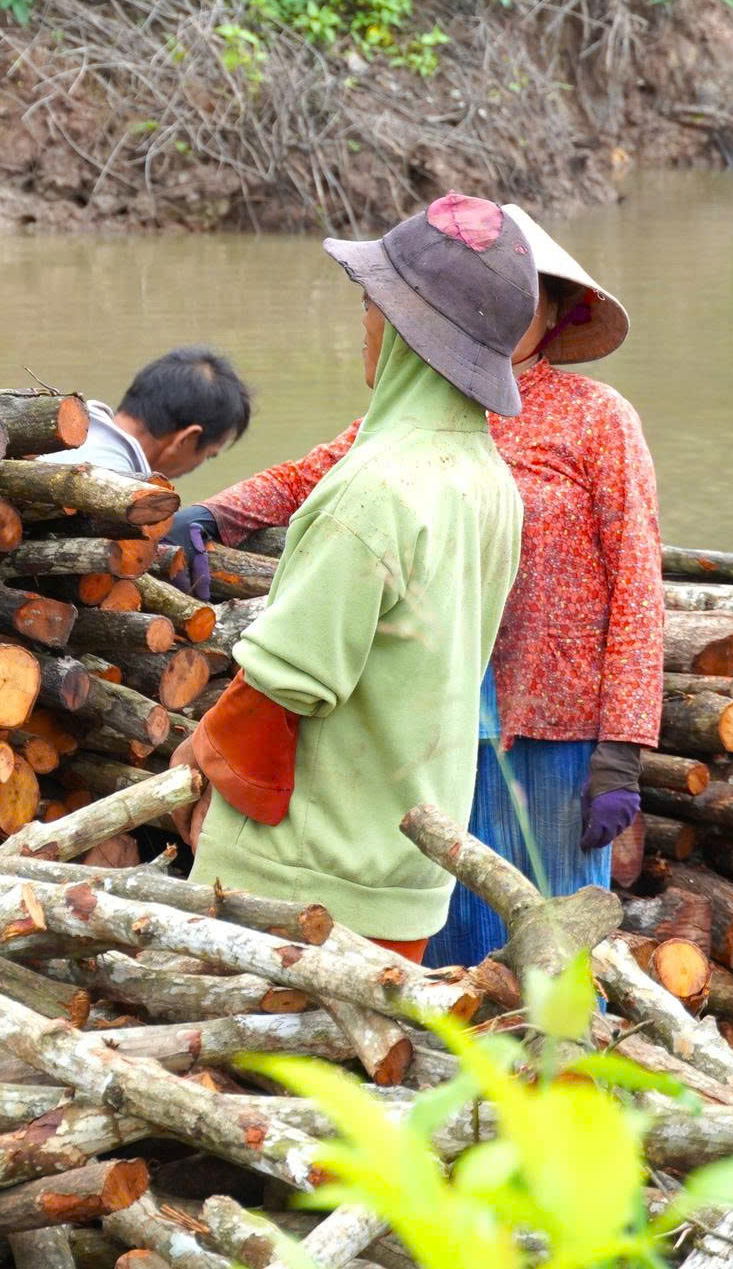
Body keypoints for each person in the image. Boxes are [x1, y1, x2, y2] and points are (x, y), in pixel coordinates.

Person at [186, 203, 659, 966]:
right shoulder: (420, 406)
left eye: (529, 302)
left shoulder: (599, 419)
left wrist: (623, 747)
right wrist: (213, 512)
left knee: (549, 927)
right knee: (450, 921)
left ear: (554, 315)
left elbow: (638, 583)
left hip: (552, 717)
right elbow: (317, 471)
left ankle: (557, 1070)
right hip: (437, 712)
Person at [173, 194, 531, 959]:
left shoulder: (377, 486)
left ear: (408, 329)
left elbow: (289, 680)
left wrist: (202, 749)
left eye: (374, 303)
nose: (364, 319)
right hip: (404, 874)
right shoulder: (489, 479)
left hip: (303, 883)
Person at [44, 346, 251, 601]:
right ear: (187, 439)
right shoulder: (119, 489)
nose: (199, 464)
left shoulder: (65, 431)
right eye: (208, 454)